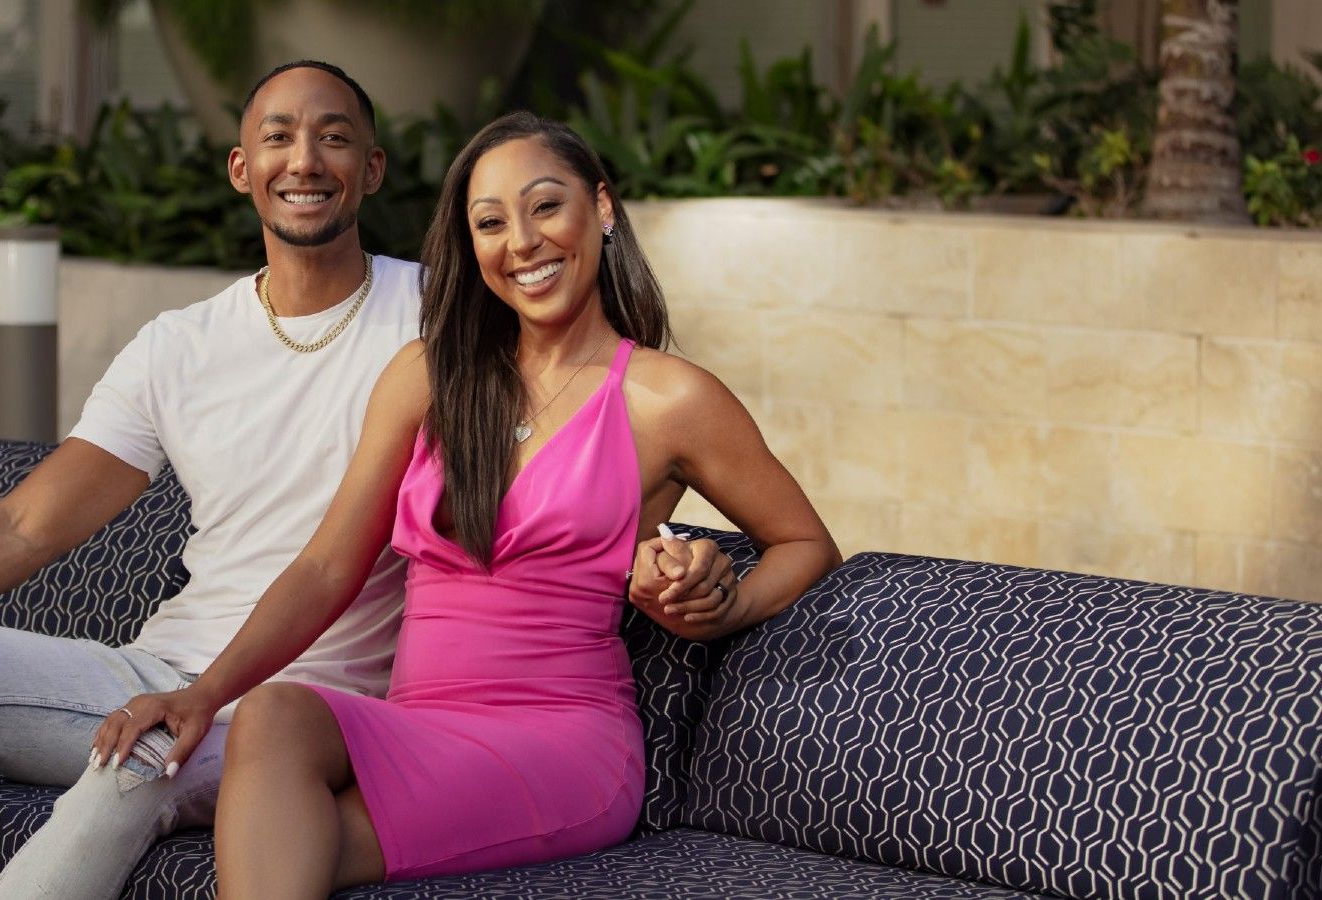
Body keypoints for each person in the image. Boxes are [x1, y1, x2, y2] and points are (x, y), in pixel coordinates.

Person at [0, 63, 733, 899]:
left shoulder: (448, 324)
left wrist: (675, 559)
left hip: (315, 704)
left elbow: (566, 458)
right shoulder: (178, 346)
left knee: (140, 757)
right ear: (242, 169)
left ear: (373, 171)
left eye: (334, 138)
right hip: (162, 665)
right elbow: (31, 522)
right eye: (277, 136)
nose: (304, 159)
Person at [98, 111, 842, 899]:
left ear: (602, 208)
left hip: (561, 743)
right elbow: (325, 565)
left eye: (546, 206)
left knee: (284, 854)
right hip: (415, 724)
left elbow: (803, 541)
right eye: (491, 222)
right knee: (273, 716)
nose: (521, 241)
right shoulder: (427, 376)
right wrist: (201, 694)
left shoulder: (667, 398)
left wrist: (723, 609)